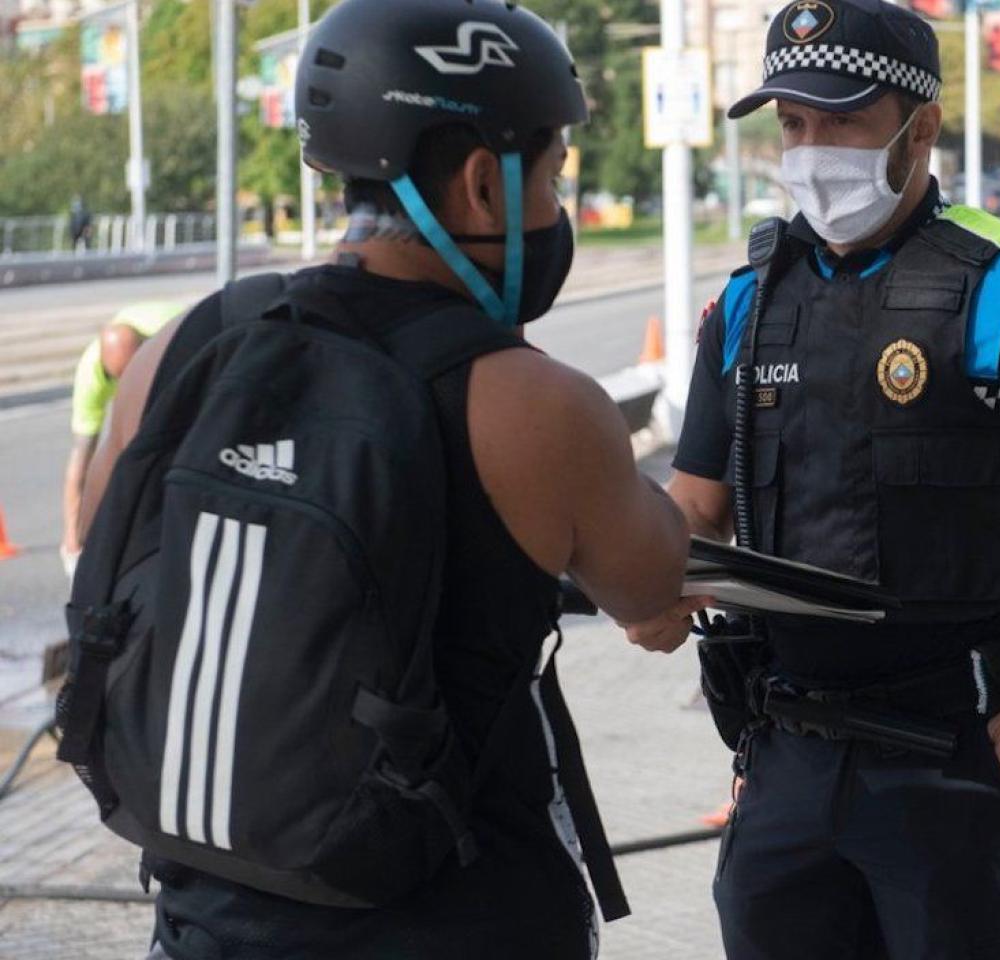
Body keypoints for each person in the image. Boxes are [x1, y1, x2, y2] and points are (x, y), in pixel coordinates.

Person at [75, 1, 689, 956]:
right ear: (484, 185)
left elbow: (105, 550)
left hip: (207, 915)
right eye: (555, 175)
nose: (557, 210)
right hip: (453, 917)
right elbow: (652, 584)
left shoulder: (184, 349)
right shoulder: (532, 404)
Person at [621, 1, 1000, 955]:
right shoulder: (747, 302)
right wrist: (639, 582)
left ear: (920, 127)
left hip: (953, 759)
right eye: (792, 124)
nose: (810, 149)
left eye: (841, 119)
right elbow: (692, 505)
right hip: (783, 762)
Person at [61, 301, 185, 577]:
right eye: (118, 378)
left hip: (185, 355)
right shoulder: (92, 372)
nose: (125, 384)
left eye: (131, 375)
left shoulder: (174, 343)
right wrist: (73, 539)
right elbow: (81, 459)